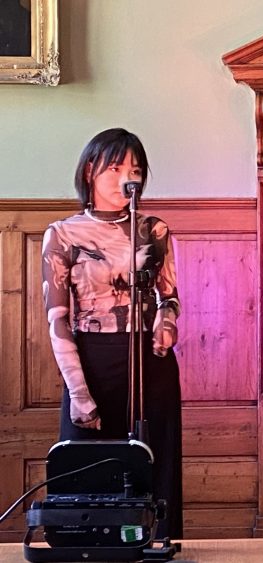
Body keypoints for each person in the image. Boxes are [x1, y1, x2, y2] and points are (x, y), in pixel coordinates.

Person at [41, 128, 183, 540]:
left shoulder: (153, 229)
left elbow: (169, 298)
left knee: (153, 465)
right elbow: (58, 320)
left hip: (149, 363)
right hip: (90, 361)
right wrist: (79, 393)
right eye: (116, 167)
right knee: (89, 470)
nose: (127, 178)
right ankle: (91, 548)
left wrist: (166, 322)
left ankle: (154, 543)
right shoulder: (62, 234)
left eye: (135, 169)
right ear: (90, 172)